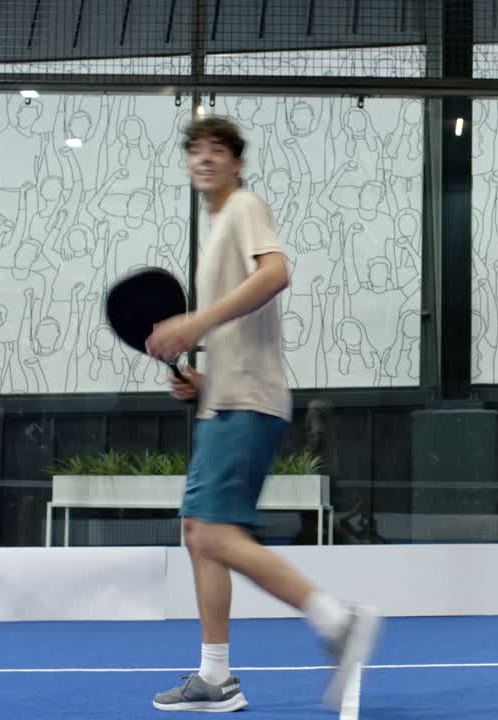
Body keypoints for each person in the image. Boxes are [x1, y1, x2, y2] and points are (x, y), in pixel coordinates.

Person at [145, 115, 380, 711]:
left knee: (214, 533)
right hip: (227, 398)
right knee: (200, 535)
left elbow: (276, 273)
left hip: (248, 403)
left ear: (236, 162)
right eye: (195, 150)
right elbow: (241, 329)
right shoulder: (220, 225)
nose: (204, 158)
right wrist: (203, 380)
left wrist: (196, 323)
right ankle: (215, 678)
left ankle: (336, 620)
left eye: (216, 150)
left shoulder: (245, 206)